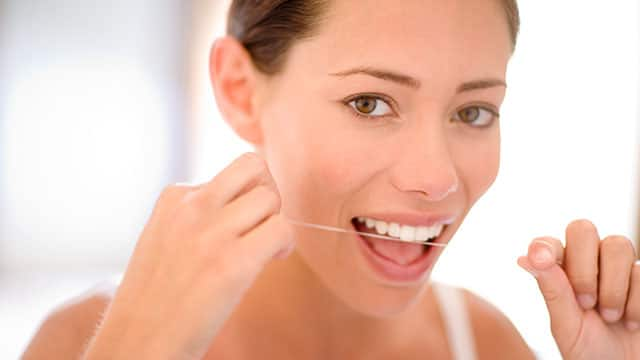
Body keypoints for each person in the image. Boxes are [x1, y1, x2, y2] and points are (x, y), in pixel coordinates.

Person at [23, 0, 640, 359]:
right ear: (241, 91)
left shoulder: (487, 344)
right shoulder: (84, 341)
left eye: (472, 112)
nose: (437, 179)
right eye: (370, 103)